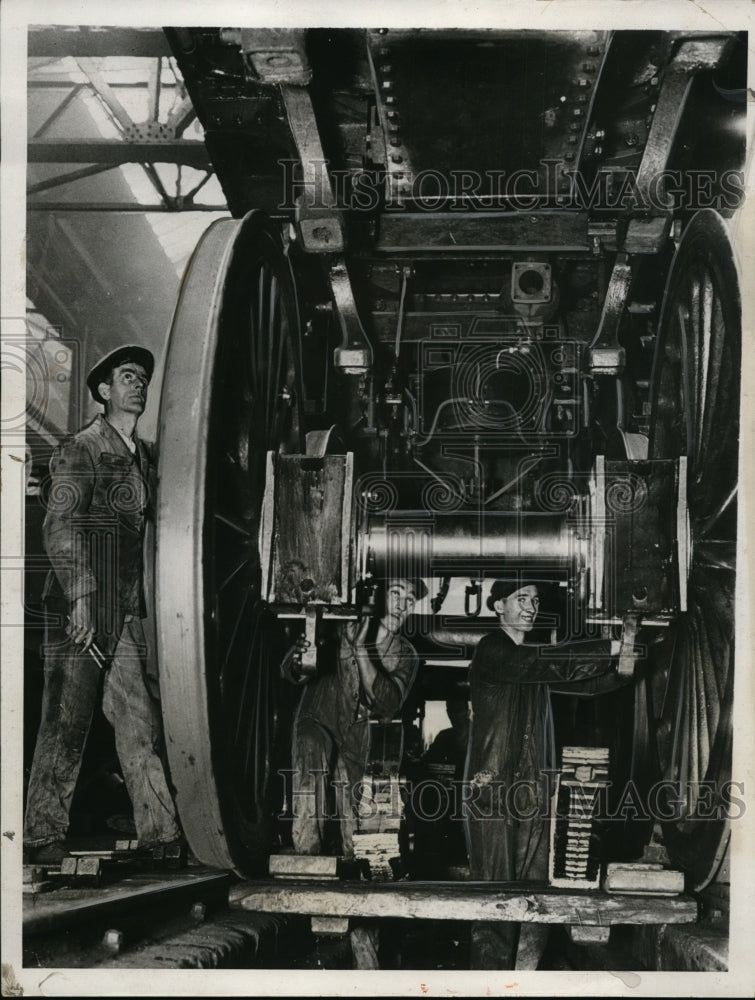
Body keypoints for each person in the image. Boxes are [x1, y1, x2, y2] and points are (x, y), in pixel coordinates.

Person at [24, 345, 182, 864]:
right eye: (127, 377)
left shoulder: (146, 457)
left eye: (142, 378)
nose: (138, 384)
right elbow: (61, 526)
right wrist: (83, 597)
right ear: (103, 391)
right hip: (83, 610)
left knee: (140, 724)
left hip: (125, 611)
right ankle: (41, 835)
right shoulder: (82, 447)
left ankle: (160, 836)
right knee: (66, 720)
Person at [465, 577, 619, 970]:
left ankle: (524, 982)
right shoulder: (495, 650)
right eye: (521, 599)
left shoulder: (529, 667)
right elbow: (544, 664)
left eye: (534, 599)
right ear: (498, 606)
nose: (531, 606)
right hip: (493, 794)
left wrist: (625, 663)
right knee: (496, 904)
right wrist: (608, 648)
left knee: (537, 897)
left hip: (533, 794)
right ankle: (489, 985)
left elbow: (584, 684)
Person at [283, 578, 423, 859]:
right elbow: (292, 670)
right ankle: (305, 868)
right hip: (319, 724)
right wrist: (297, 662)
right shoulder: (338, 628)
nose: (402, 605)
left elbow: (387, 703)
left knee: (359, 848)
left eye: (409, 600)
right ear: (378, 597)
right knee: (311, 758)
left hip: (360, 750)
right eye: (396, 594)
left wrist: (361, 649)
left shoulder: (406, 654)